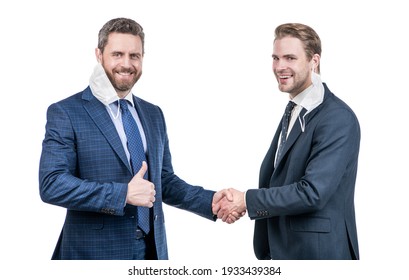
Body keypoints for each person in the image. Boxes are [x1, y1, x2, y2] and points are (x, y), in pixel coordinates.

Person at [39, 17, 237, 260]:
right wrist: (122, 194)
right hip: (92, 256)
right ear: (99, 55)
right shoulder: (67, 112)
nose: (126, 63)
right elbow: (52, 184)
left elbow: (164, 181)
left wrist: (210, 201)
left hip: (150, 252)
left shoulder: (153, 114)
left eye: (135, 55)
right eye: (117, 54)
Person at [213, 23, 360, 260]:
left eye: (290, 58)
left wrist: (246, 201)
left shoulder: (337, 118)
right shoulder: (294, 109)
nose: (280, 66)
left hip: (318, 257)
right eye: (276, 58)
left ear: (314, 61)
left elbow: (312, 192)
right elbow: (278, 178)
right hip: (284, 252)